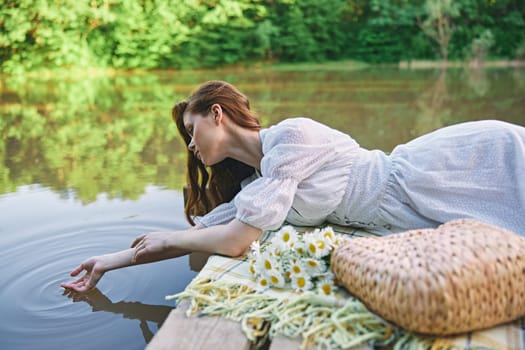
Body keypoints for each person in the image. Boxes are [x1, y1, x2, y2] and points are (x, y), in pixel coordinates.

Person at [61, 80, 525, 293]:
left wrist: (170, 236)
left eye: (191, 128)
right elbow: (212, 232)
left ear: (217, 114)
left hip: (432, 176)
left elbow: (237, 243)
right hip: (402, 216)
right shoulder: (258, 186)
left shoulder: (291, 138)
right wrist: (108, 261)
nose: (190, 144)